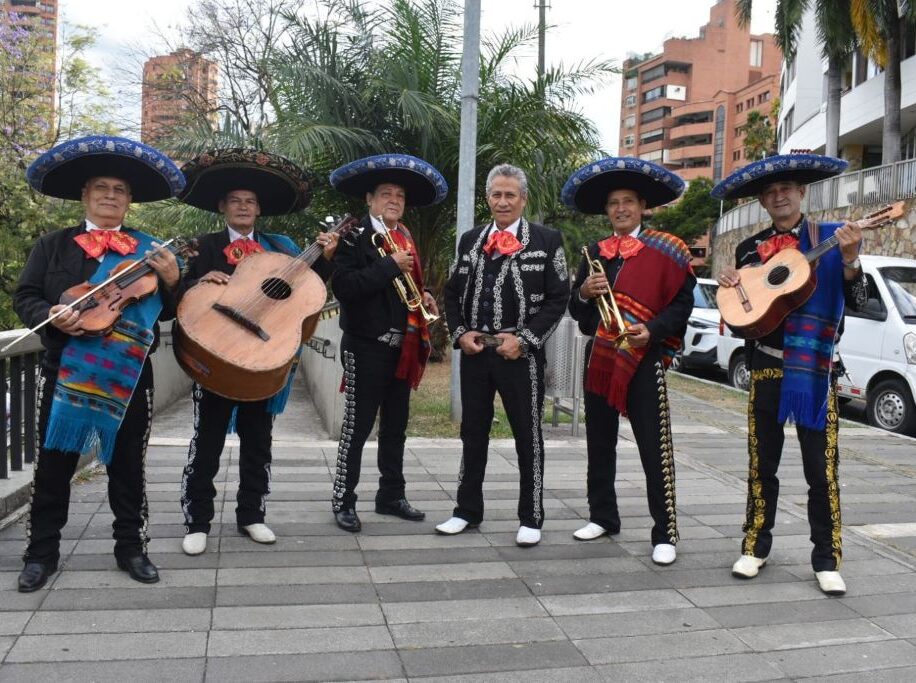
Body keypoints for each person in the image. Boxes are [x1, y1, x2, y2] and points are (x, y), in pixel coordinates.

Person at [13, 135, 186, 591]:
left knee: (128, 466)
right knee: (53, 466)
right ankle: (40, 554)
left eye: (120, 190)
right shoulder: (53, 244)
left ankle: (132, 547)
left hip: (130, 376)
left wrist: (172, 281)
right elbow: (26, 296)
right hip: (63, 369)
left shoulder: (152, 250)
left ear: (129, 200)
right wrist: (48, 315)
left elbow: (172, 313)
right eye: (102, 188)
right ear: (86, 195)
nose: (111, 196)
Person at [712, 153, 867, 595]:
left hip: (816, 370)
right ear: (762, 200)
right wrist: (731, 287)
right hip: (764, 365)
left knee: (822, 470)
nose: (779, 196)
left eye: (788, 189)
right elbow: (743, 318)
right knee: (763, 464)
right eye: (770, 191)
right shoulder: (749, 250)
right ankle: (755, 546)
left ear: (802, 193)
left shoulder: (833, 239)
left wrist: (852, 259)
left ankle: (826, 557)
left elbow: (858, 300)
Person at [176, 148, 338, 555]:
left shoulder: (279, 248)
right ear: (222, 207)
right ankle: (197, 521)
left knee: (258, 441)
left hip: (264, 357)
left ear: (259, 209)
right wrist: (197, 283)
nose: (243, 207)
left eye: (249, 202)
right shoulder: (202, 247)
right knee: (207, 439)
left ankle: (251, 514)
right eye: (235, 201)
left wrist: (329, 259)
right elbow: (176, 296)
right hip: (217, 354)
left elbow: (308, 294)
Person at [564, 157, 694, 565]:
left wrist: (651, 331)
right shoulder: (593, 253)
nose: (621, 209)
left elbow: (683, 304)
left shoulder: (668, 250)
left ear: (642, 207)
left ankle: (665, 532)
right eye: (614, 203)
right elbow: (581, 316)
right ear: (607, 211)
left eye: (628, 202)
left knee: (654, 447)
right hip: (601, 358)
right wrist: (584, 292)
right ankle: (603, 516)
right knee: (599, 444)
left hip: (644, 358)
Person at [437, 163, 569, 547]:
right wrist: (460, 334)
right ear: (488, 198)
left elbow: (558, 299)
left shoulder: (547, 240)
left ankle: (531, 516)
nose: (502, 201)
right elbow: (450, 292)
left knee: (527, 436)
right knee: (471, 433)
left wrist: (524, 339)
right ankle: (466, 510)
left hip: (521, 358)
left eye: (510, 194)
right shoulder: (470, 240)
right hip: (476, 354)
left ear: (523, 199)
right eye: (496, 194)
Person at [328, 153, 447, 532]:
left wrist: (424, 294)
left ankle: (391, 495)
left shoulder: (405, 235)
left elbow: (407, 286)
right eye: (385, 194)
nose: (393, 200)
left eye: (399, 195)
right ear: (370, 200)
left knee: (397, 426)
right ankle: (343, 500)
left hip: (402, 347)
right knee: (358, 426)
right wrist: (388, 266)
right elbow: (345, 288)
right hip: (366, 345)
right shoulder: (352, 235)